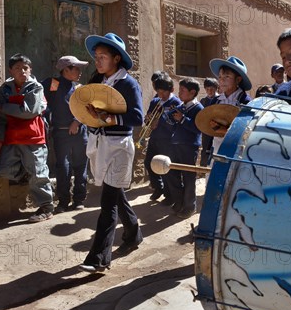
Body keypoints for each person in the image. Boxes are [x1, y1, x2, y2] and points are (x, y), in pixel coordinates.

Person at [79, 32, 144, 273]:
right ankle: (134, 232)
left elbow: (138, 117)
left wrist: (110, 116)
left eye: (103, 56)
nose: (98, 61)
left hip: (119, 147)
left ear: (117, 58)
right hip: (100, 145)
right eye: (96, 56)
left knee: (108, 202)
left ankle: (98, 259)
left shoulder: (128, 83)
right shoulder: (97, 79)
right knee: (115, 194)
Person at [0, 54, 55, 222]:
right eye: (18, 68)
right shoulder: (4, 89)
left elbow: (29, 111)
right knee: (5, 169)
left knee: (38, 172)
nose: (22, 71)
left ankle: (46, 207)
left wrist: (3, 107)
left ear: (30, 70)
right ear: (11, 71)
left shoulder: (35, 87)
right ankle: (28, 175)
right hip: (11, 138)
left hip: (33, 137)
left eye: (25, 68)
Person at [41, 55, 90, 213]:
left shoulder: (78, 87)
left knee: (80, 166)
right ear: (65, 70)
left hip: (80, 133)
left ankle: (79, 200)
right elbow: (43, 101)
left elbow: (86, 109)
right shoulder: (53, 84)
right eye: (76, 68)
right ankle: (63, 202)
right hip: (60, 134)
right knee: (63, 167)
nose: (79, 71)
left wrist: (77, 121)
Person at [166, 78, 204, 219]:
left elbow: (198, 128)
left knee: (188, 178)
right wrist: (171, 117)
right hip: (175, 145)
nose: (179, 93)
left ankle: (189, 207)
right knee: (171, 173)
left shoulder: (198, 108)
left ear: (192, 92)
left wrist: (182, 119)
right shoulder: (181, 106)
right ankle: (179, 201)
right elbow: (175, 126)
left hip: (189, 147)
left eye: (182, 90)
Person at [144, 73, 182, 204]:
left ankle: (169, 196)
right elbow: (147, 118)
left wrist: (160, 122)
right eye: (158, 92)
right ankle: (158, 187)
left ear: (171, 90)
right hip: (155, 138)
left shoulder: (176, 102)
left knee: (166, 169)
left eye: (163, 92)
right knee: (149, 163)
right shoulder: (155, 101)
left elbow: (177, 124)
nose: (161, 95)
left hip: (168, 141)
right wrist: (148, 119)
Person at [208, 56, 253, 152]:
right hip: (217, 148)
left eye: (227, 76)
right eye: (220, 77)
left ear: (238, 80)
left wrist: (222, 130)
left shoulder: (246, 102)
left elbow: (246, 130)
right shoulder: (216, 101)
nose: (221, 80)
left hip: (237, 150)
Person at [199, 78, 219, 167]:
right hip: (206, 129)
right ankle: (203, 168)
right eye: (207, 89)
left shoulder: (220, 100)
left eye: (212, 89)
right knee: (205, 148)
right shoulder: (203, 101)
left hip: (217, 129)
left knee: (214, 148)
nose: (210, 91)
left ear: (216, 88)